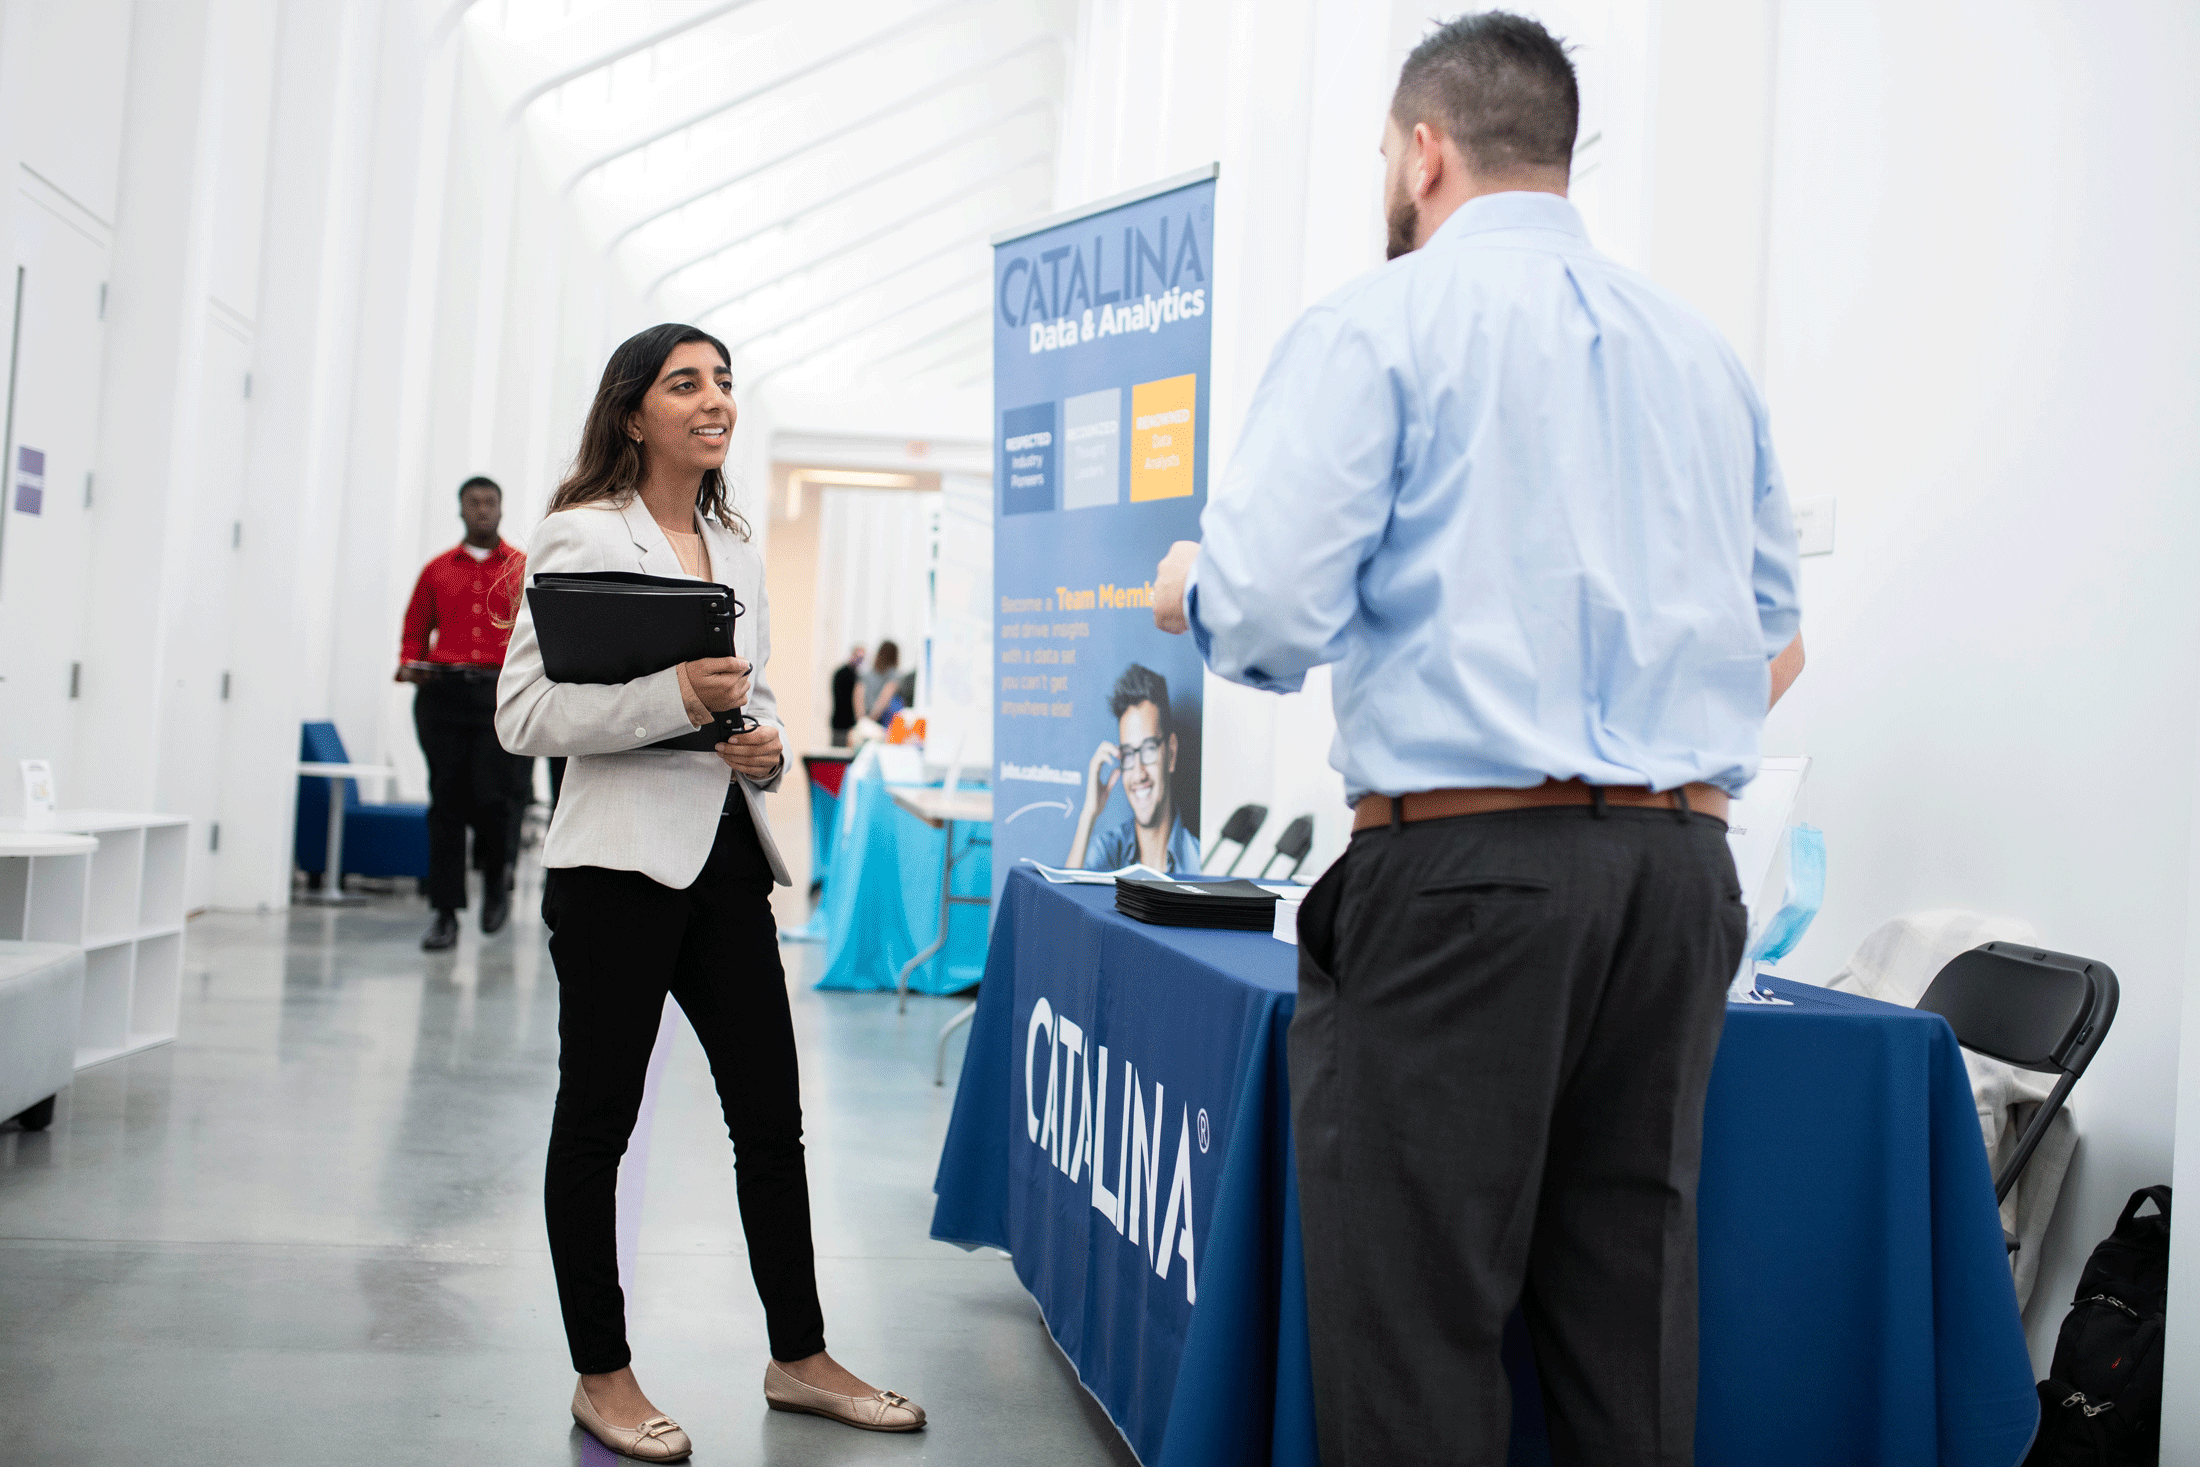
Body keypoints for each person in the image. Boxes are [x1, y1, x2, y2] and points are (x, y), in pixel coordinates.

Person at [1151, 14, 1806, 1465]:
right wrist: (1636, 741)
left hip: (1463, 878)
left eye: (1388, 151)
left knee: (1414, 1334)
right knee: (1626, 1329)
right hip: (1680, 875)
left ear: (1425, 150)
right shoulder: (1701, 356)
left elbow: (1267, 618)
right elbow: (1781, 635)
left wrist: (1191, 580)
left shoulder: (1377, 324)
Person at [495, 323, 924, 1461]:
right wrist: (672, 701)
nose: (713, 398)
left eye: (724, 381)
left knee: (770, 1120)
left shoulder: (735, 541)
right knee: (598, 1125)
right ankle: (603, 1374)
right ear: (635, 412)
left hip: (725, 864)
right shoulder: (581, 533)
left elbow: (761, 699)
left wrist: (766, 745)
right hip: (615, 869)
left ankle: (799, 1354)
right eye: (686, 383)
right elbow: (524, 717)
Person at [397, 475, 533, 951]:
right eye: (472, 503)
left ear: (500, 508)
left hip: (498, 697)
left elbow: (536, 633)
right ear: (460, 510)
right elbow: (415, 630)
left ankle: (497, 880)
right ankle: (444, 912)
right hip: (444, 697)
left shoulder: (520, 567)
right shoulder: (436, 571)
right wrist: (410, 664)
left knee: (494, 798)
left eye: (489, 503)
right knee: (446, 803)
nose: (481, 511)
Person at [1064, 663, 1199, 874]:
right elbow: (1064, 904)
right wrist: (1088, 815)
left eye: (1149, 749)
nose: (1138, 773)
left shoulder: (1199, 862)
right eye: (1127, 754)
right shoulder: (1108, 852)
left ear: (1171, 753)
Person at [829, 645, 865, 747]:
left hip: (850, 725)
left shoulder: (857, 675)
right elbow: (840, 700)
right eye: (858, 657)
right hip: (841, 724)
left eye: (862, 658)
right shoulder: (841, 674)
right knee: (838, 755)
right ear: (852, 655)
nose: (859, 661)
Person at [861, 639, 901, 724]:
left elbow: (859, 696)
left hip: (867, 716)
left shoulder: (868, 674)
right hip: (880, 719)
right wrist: (871, 720)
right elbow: (884, 699)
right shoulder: (893, 675)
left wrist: (862, 720)